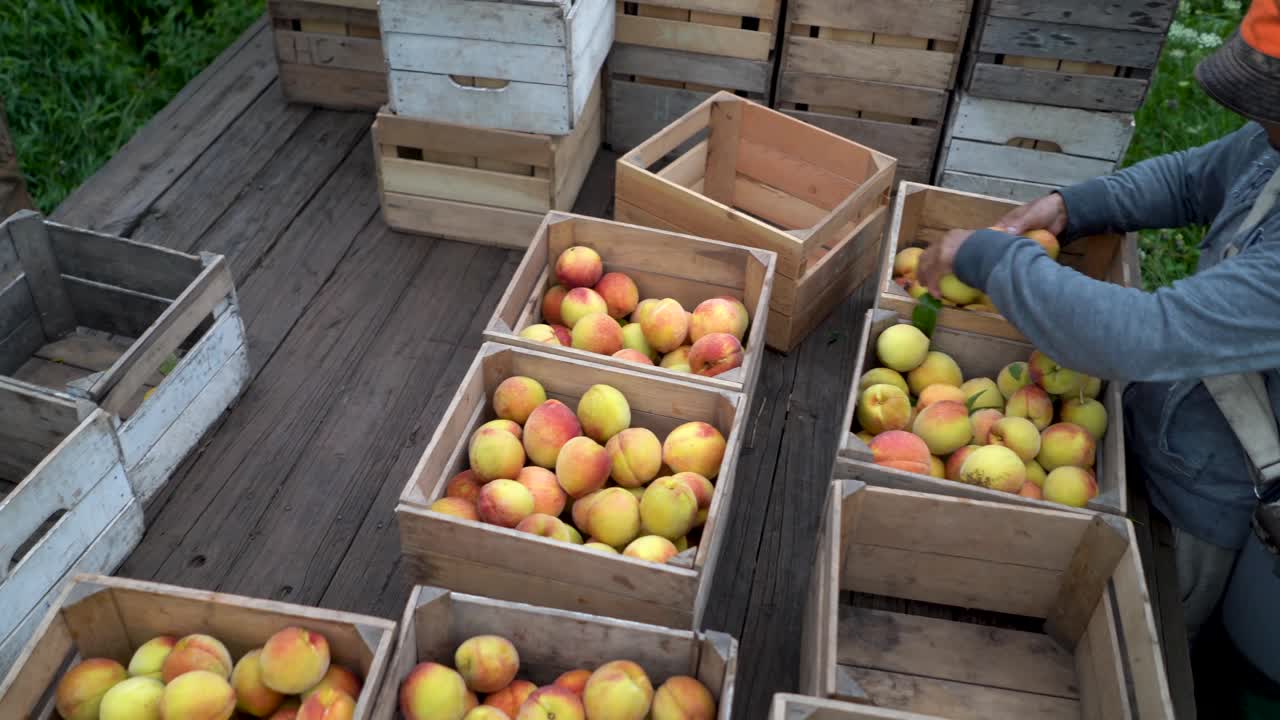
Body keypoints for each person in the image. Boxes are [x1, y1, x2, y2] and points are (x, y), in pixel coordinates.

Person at [918, 0, 1280, 649]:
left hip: (1205, 507)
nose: (1257, 118)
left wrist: (987, 257)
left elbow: (1144, 336)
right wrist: (1072, 206)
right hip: (1154, 440)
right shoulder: (1276, 139)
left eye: (1269, 104)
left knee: (1134, 647)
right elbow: (1196, 177)